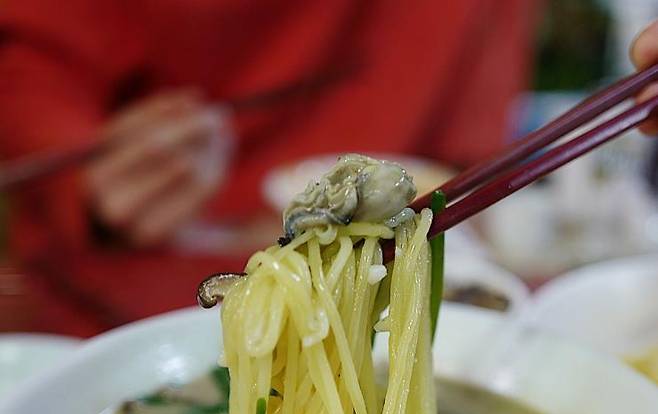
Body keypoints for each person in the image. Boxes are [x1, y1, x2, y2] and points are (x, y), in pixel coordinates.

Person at [0, 0, 542, 261]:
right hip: (146, 266)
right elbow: (33, 66)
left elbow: (472, 150)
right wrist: (83, 158)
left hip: (400, 267)